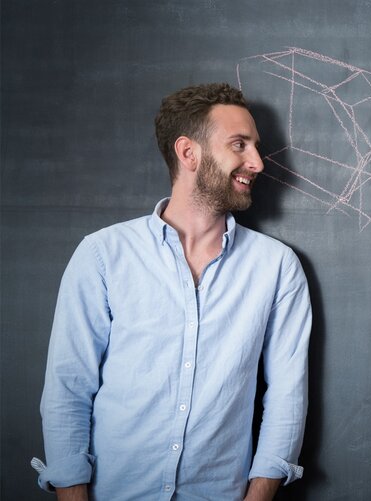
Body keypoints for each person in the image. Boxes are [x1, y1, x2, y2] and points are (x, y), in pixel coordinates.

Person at [32, 83, 312, 501]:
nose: (256, 162)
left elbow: (288, 396)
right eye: (240, 145)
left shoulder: (276, 267)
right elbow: (68, 388)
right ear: (188, 153)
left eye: (256, 146)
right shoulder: (103, 255)